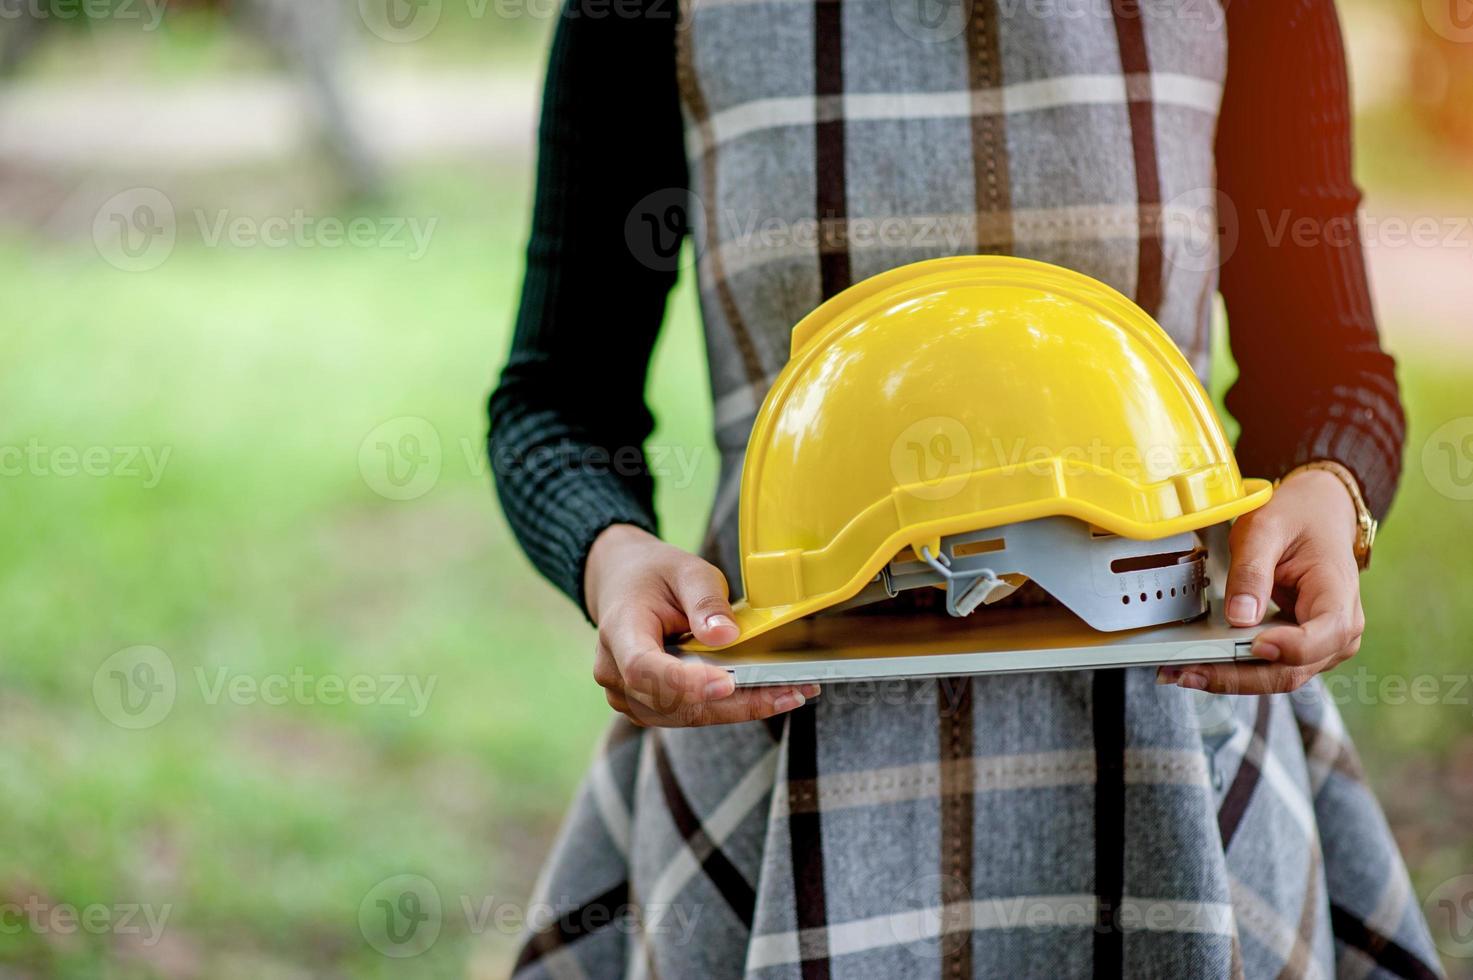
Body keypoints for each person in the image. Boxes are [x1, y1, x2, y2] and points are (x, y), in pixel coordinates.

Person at [489, 0, 1442, 975]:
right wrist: (612, 553)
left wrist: (1334, 489)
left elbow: (1333, 379)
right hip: (777, 742)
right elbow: (553, 401)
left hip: (1172, 746)